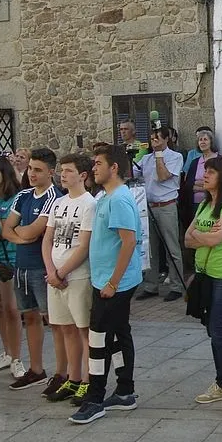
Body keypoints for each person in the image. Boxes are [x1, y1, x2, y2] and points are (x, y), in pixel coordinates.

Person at [70, 144, 143, 424]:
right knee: (118, 335)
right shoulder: (105, 196)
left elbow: (129, 242)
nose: (94, 168)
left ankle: (95, 398)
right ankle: (125, 391)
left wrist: (112, 283)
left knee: (98, 339)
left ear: (114, 168)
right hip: (106, 281)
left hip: (114, 284)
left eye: (98, 163)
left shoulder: (119, 200)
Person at [186, 156, 222, 418]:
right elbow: (187, 239)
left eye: (211, 172)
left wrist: (201, 236)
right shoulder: (204, 205)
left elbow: (217, 238)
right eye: (206, 171)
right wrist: (205, 237)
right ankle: (221, 383)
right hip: (205, 275)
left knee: (220, 330)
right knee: (212, 329)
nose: (205, 175)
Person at [2, 148, 64, 392]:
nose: (32, 174)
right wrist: (23, 237)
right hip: (22, 265)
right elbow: (7, 229)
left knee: (54, 320)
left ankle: (63, 372)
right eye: (30, 169)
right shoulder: (24, 195)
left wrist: (21, 234)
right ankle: (36, 369)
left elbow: (33, 231)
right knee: (29, 316)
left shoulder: (54, 197)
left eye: (38, 170)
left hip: (42, 267)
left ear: (51, 172)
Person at [42, 154, 96, 404]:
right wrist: (51, 271)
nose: (62, 175)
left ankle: (88, 380)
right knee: (65, 328)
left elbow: (83, 246)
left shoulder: (89, 204)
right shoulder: (58, 202)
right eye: (61, 170)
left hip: (77, 276)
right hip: (55, 276)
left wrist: (61, 273)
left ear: (82, 175)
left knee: (83, 330)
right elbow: (47, 239)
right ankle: (72, 378)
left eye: (68, 170)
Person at [0, 156, 26, 380]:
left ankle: (17, 357)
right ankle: (7, 352)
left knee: (11, 308)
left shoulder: (15, 199)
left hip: (10, 257)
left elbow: (5, 230)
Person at [135, 127, 185, 303]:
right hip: (148, 206)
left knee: (172, 248)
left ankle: (176, 286)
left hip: (166, 206)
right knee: (150, 249)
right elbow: (131, 174)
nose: (153, 141)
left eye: (157, 138)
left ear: (166, 139)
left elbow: (163, 176)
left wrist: (158, 154)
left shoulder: (175, 157)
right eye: (152, 138)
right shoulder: (146, 159)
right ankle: (151, 286)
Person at [178, 128, 218, 235]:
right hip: (195, 204)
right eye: (200, 140)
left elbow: (219, 183)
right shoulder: (195, 162)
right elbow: (188, 183)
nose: (202, 142)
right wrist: (207, 185)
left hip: (213, 204)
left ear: (211, 142)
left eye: (205, 139)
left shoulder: (219, 160)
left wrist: (198, 184)